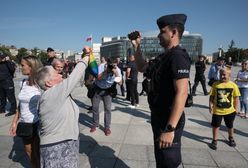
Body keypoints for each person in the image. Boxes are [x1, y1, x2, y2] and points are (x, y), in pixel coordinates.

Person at [129, 13, 190, 167]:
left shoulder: (177, 57)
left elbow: (182, 92)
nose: (158, 35)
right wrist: (137, 46)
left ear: (174, 32)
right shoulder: (164, 57)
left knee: (168, 162)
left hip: (168, 120)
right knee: (161, 160)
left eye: (162, 31)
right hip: (158, 116)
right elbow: (142, 67)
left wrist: (170, 129)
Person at [35, 47, 90, 168]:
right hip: (57, 146)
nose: (60, 75)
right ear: (49, 83)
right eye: (56, 74)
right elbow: (74, 77)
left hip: (64, 143)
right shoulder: (52, 94)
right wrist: (86, 56)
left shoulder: (55, 95)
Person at [9, 56, 43, 168]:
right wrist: (15, 122)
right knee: (28, 151)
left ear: (31, 67)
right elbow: (20, 106)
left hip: (38, 123)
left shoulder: (40, 84)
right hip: (25, 123)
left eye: (23, 65)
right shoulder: (23, 82)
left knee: (38, 152)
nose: (21, 67)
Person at [209, 67, 240, 150]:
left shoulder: (233, 85)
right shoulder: (215, 84)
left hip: (229, 111)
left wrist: (235, 109)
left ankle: (231, 138)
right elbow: (212, 96)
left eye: (224, 75)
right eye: (221, 74)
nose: (222, 76)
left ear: (229, 75)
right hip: (217, 111)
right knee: (215, 126)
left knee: (230, 126)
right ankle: (214, 140)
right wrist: (210, 104)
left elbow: (236, 98)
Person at [90, 57, 122, 136]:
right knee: (95, 108)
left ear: (116, 64)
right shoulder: (101, 67)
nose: (112, 66)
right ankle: (95, 124)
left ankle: (107, 127)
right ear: (107, 63)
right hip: (97, 89)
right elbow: (98, 78)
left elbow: (120, 83)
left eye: (114, 65)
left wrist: (116, 73)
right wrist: (105, 72)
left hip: (107, 91)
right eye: (110, 65)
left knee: (107, 109)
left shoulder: (117, 70)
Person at [0, 51, 17, 117]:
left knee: (11, 97)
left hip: (8, 82)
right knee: (2, 97)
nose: (1, 58)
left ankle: (13, 110)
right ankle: (2, 109)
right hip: (0, 82)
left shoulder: (9, 63)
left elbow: (12, 69)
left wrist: (8, 61)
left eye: (2, 57)